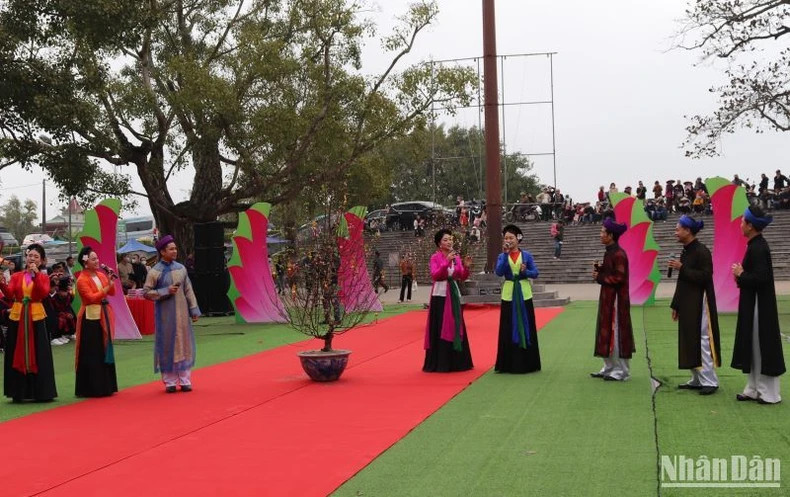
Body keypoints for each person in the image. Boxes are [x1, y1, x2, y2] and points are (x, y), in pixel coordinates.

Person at [731, 206, 785, 404]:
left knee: (761, 345)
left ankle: (769, 393)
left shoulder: (759, 247)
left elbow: (761, 278)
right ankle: (754, 388)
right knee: (753, 345)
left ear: (750, 225)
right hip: (753, 304)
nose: (741, 224)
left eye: (743, 221)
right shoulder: (755, 244)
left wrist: (741, 274)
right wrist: (741, 275)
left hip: (759, 307)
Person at [668, 216, 720, 396]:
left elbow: (706, 276)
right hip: (687, 302)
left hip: (700, 302)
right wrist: (676, 304)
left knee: (702, 338)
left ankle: (710, 381)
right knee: (689, 338)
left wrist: (682, 268)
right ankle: (697, 378)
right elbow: (682, 281)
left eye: (678, 229)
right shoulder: (686, 251)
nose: (675, 232)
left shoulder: (702, 251)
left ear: (688, 231)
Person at [144, 235, 201, 393]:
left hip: (182, 314)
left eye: (175, 248)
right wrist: (165, 291)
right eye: (171, 249)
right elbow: (146, 293)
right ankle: (169, 381)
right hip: (165, 316)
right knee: (167, 345)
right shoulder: (155, 272)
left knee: (183, 343)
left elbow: (188, 290)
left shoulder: (181, 269)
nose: (175, 251)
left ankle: (185, 380)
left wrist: (194, 310)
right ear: (162, 252)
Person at [1, 243, 57, 402]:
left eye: (36, 257)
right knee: (15, 350)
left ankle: (41, 392)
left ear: (42, 261)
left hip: (36, 316)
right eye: (29, 255)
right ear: (26, 257)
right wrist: (2, 283)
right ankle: (18, 392)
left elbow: (43, 292)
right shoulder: (17, 276)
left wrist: (37, 275)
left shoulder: (44, 277)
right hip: (18, 316)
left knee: (39, 353)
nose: (31, 259)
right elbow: (10, 294)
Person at [423, 229, 473, 372]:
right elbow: (435, 275)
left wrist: (467, 267)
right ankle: (441, 362)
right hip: (440, 295)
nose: (449, 242)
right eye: (445, 240)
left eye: (450, 239)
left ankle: (458, 361)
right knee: (440, 325)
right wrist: (446, 262)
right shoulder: (435, 257)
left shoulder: (456, 258)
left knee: (456, 323)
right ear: (439, 243)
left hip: (453, 293)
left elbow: (461, 276)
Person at [591, 218, 634, 381]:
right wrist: (601, 270)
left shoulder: (619, 254)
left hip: (617, 300)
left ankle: (621, 371)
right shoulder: (609, 251)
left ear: (611, 235)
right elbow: (611, 272)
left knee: (616, 332)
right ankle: (609, 366)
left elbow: (619, 278)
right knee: (606, 330)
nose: (600, 234)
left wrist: (601, 276)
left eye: (603, 232)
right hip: (608, 298)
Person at [494, 225, 541, 374]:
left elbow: (535, 273)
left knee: (526, 325)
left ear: (518, 239)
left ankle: (528, 362)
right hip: (508, 293)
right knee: (508, 326)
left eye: (511, 238)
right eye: (506, 238)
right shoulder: (502, 256)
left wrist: (525, 271)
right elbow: (499, 272)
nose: (508, 240)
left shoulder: (526, 255)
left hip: (524, 292)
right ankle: (507, 363)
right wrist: (505, 255)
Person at [74, 246, 119, 397]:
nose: (97, 261)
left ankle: (107, 385)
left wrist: (111, 280)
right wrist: (106, 288)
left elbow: (111, 292)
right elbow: (91, 298)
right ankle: (92, 387)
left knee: (104, 348)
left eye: (97, 258)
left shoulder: (100, 274)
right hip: (90, 318)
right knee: (92, 351)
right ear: (85, 262)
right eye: (93, 259)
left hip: (103, 314)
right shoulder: (82, 279)